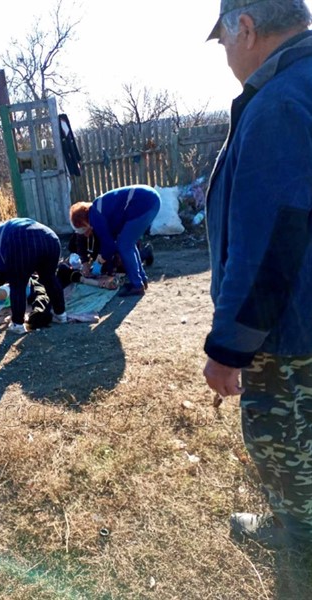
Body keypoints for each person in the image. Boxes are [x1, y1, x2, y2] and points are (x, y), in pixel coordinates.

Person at [203, 0, 312, 549]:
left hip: (291, 334)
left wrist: (229, 350)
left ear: (244, 28)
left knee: (284, 446)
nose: (223, 53)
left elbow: (271, 242)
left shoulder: (279, 105)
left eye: (221, 40)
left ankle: (299, 538)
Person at [0, 218, 67, 335]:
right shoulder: (5, 229)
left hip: (21, 240)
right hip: (51, 237)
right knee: (49, 279)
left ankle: (18, 324)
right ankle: (61, 315)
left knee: (18, 284)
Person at [69, 185, 160, 296]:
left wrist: (98, 263)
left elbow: (109, 246)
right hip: (148, 199)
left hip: (144, 202)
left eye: (83, 230)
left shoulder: (95, 216)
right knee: (127, 244)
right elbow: (111, 242)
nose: (85, 234)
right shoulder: (97, 210)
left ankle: (137, 285)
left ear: (83, 222)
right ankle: (141, 280)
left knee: (124, 246)